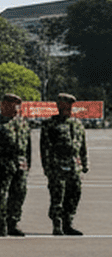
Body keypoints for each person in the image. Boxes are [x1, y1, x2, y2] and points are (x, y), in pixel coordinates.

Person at [39, 93, 89, 236]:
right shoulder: (50, 124)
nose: (67, 108)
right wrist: (47, 167)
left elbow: (83, 146)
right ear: (59, 105)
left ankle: (68, 223)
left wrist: (85, 163)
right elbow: (44, 148)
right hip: (57, 166)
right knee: (57, 195)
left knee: (74, 194)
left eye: (70, 105)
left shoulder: (77, 124)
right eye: (64, 105)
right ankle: (57, 224)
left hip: (74, 167)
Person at [0, 93, 31, 237]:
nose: (16, 108)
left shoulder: (22, 122)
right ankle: (2, 223)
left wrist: (28, 164)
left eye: (17, 105)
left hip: (20, 163)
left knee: (19, 193)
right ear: (4, 105)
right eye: (13, 105)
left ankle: (13, 222)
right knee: (2, 194)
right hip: (3, 163)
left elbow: (28, 146)